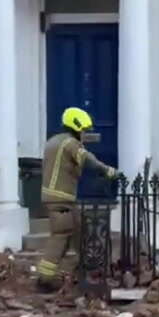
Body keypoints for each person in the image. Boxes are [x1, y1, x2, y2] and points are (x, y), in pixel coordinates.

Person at [36, 107, 119, 292]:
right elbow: (87, 159)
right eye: (84, 130)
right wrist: (108, 171)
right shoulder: (70, 143)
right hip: (61, 199)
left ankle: (87, 270)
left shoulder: (53, 142)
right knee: (61, 236)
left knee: (80, 232)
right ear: (76, 127)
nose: (85, 135)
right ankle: (45, 279)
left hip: (59, 198)